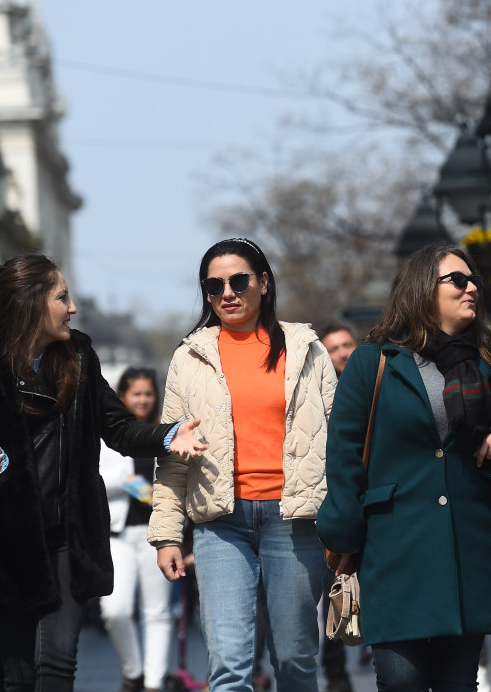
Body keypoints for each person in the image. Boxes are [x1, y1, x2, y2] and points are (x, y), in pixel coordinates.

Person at [0, 255, 207, 692]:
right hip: (3, 546)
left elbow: (117, 428)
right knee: (19, 677)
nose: (73, 307)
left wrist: (169, 436)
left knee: (57, 667)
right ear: (30, 304)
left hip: (68, 538)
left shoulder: (78, 357)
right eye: (62, 297)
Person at [318, 244, 491, 692]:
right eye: (458, 280)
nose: (472, 288)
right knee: (400, 678)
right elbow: (345, 451)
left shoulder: (486, 362)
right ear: (424, 290)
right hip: (395, 547)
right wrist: (344, 535)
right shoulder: (376, 360)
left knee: (459, 682)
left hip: (468, 547)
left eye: (474, 281)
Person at [149, 237, 337, 692]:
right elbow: (172, 453)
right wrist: (166, 534)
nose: (227, 293)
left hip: (294, 522)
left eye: (238, 281)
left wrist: (347, 522)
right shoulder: (189, 357)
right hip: (220, 523)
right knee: (229, 666)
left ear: (264, 283)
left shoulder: (307, 349)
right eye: (214, 285)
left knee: (294, 660)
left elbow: (339, 442)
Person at [100, 368, 175, 692]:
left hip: (155, 536)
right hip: (117, 535)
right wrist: (142, 490)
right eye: (136, 394)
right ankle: (133, 672)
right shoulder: (106, 434)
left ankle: (154, 683)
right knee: (114, 610)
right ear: (122, 396)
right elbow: (98, 480)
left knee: (157, 612)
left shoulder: (164, 431)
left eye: (148, 393)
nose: (143, 400)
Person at [316, 321, 359, 692]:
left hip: (369, 506)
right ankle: (336, 673)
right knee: (334, 595)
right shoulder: (315, 400)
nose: (343, 353)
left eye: (348, 345)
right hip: (328, 510)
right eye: (334, 348)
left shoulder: (372, 389)